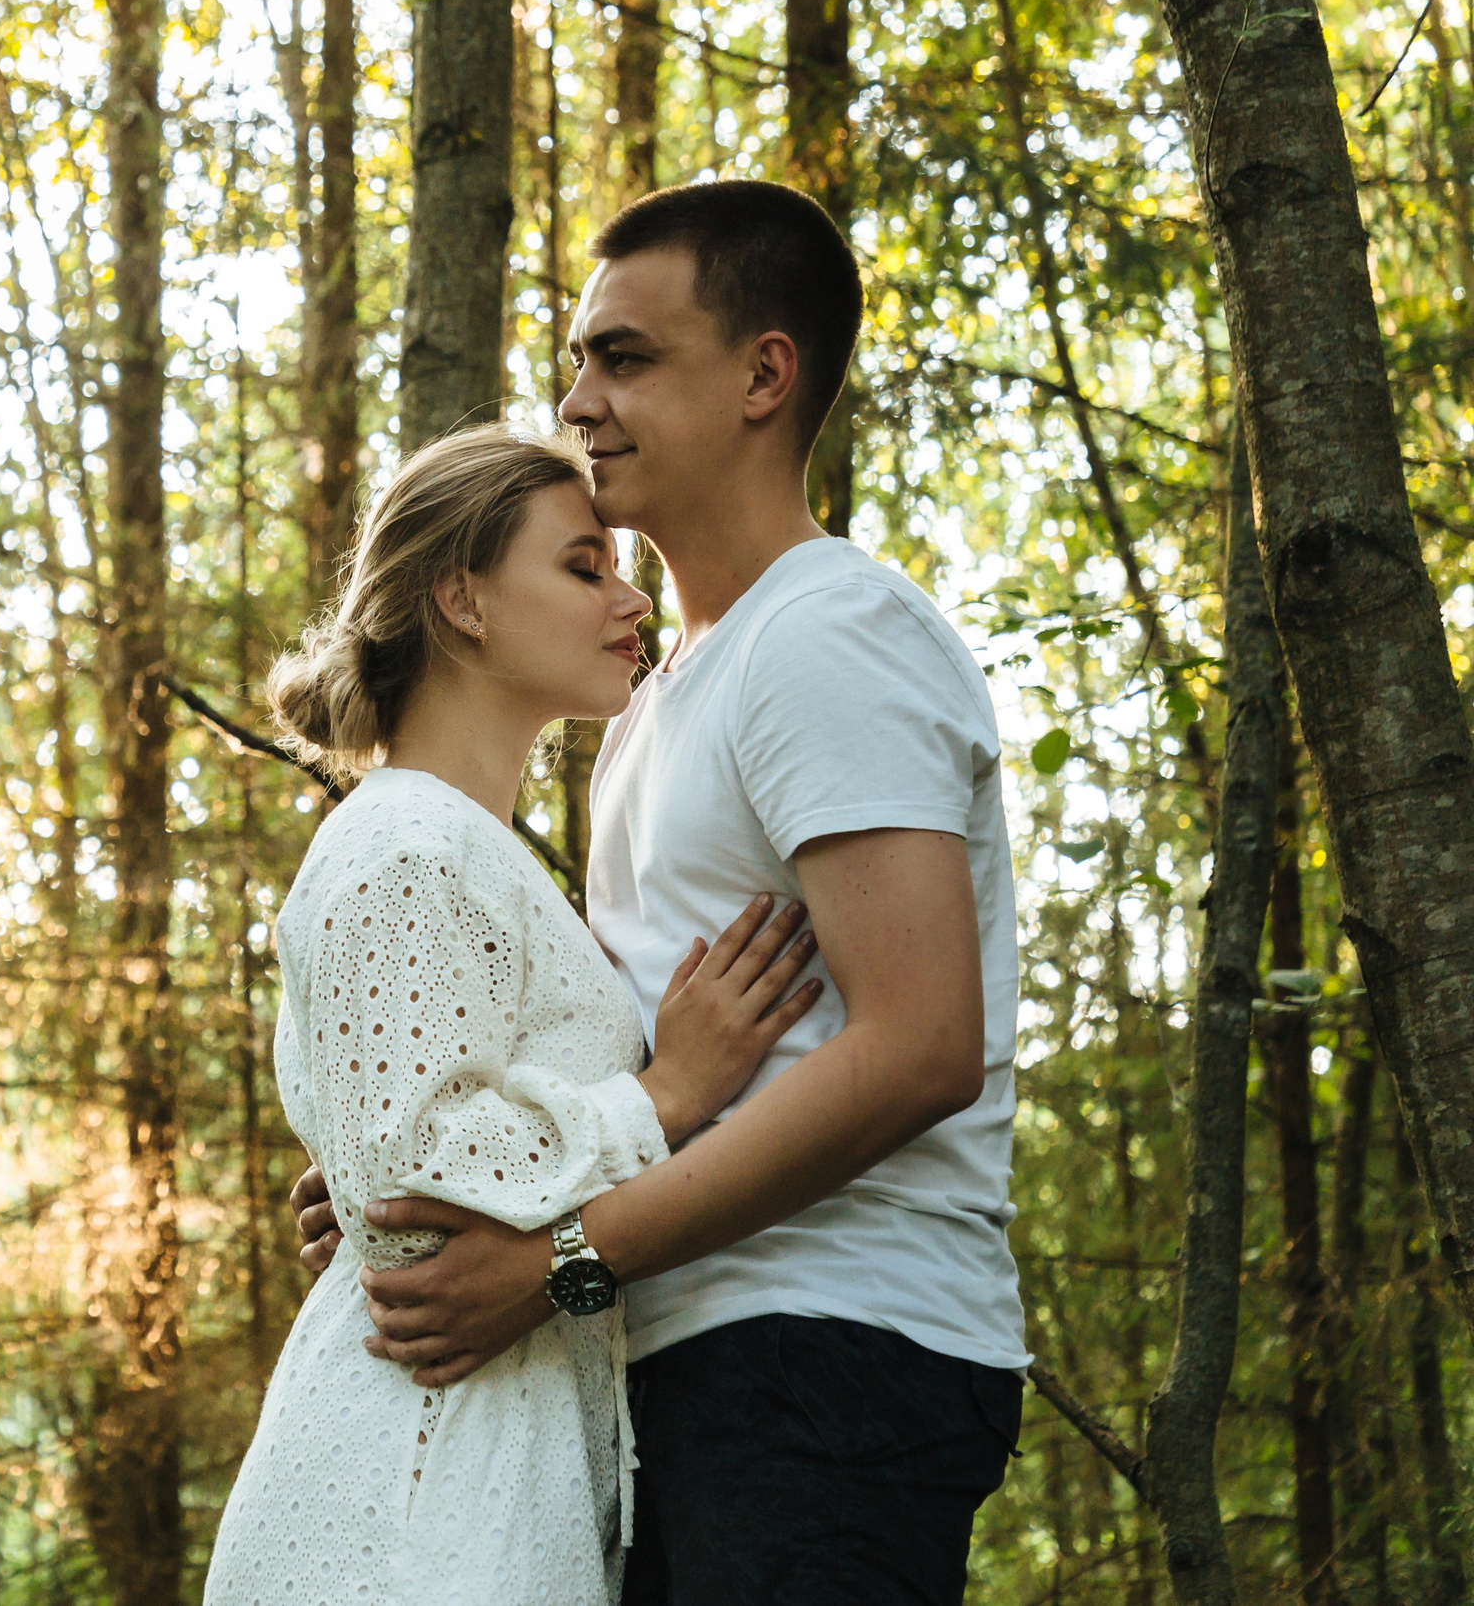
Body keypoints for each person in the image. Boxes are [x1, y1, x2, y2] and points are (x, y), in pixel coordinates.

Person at [289, 180, 1030, 1604]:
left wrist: (557, 1259)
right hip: (665, 1367)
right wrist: (432, 1179)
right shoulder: (650, 705)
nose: (579, 401)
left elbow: (922, 1044)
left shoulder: (828, 631)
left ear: (763, 374)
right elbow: (647, 1051)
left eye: (624, 357)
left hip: (828, 1350)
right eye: (578, 360)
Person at [206, 423, 821, 1605]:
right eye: (583, 567)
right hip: (404, 1513)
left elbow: (390, 1162)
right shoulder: (405, 843)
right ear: (463, 599)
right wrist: (662, 1096)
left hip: (480, 1476)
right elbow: (411, 1175)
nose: (631, 601)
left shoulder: (462, 849)